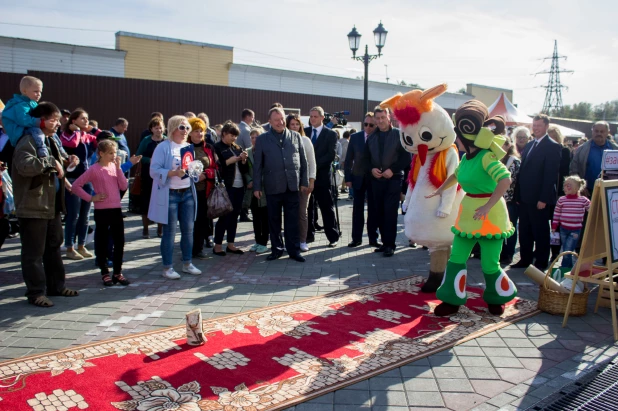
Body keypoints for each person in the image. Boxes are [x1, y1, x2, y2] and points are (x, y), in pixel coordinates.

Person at [428, 100, 516, 316]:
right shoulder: (467, 158)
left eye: (457, 136)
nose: (455, 140)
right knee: (457, 258)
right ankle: (451, 300)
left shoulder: (487, 157)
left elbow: (505, 180)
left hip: (491, 215)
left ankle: (498, 298)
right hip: (468, 213)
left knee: (489, 263)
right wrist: (440, 190)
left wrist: (487, 206)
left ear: (465, 136)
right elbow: (456, 175)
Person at [12, 102, 80, 307]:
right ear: (40, 120)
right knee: (33, 253)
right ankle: (35, 292)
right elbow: (24, 166)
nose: (58, 124)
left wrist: (69, 161)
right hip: (34, 206)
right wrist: (51, 162)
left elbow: (58, 165)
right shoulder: (28, 140)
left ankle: (56, 287)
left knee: (53, 248)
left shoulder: (51, 141)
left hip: (51, 207)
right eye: (54, 119)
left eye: (59, 120)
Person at [71, 140, 131, 286]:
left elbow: (124, 185)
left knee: (119, 241)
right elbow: (75, 186)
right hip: (102, 210)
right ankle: (104, 272)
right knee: (102, 241)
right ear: (101, 153)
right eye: (110, 153)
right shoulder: (94, 169)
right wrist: (91, 198)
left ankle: (117, 272)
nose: (113, 155)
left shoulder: (114, 167)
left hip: (116, 209)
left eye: (115, 152)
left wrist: (118, 169)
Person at [148, 115, 201, 279]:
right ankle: (167, 267)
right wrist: (173, 173)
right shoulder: (164, 147)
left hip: (187, 193)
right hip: (170, 194)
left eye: (187, 128)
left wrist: (195, 171)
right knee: (169, 232)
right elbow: (154, 171)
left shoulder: (188, 147)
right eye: (182, 127)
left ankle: (187, 263)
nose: (186, 131)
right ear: (173, 128)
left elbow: (190, 172)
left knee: (188, 230)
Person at [253, 107, 309, 262]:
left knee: (292, 220)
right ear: (269, 121)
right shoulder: (263, 139)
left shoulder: (296, 136)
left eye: (282, 119)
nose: (280, 122)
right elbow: (258, 165)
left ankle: (294, 250)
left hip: (292, 186)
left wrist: (304, 182)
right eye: (276, 120)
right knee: (274, 220)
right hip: (273, 186)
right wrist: (257, 187)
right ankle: (277, 249)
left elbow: (303, 161)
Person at [512, 114, 561, 270]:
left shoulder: (552, 146)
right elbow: (522, 172)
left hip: (539, 198)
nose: (536, 128)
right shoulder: (530, 144)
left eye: (539, 126)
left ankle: (541, 261)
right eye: (534, 125)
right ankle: (524, 259)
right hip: (525, 197)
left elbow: (551, 175)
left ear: (546, 126)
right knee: (524, 230)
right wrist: (518, 195)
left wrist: (543, 198)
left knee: (540, 231)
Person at [362, 107, 410, 256]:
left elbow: (406, 158)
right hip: (377, 181)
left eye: (383, 117)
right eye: (378, 118)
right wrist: (371, 169)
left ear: (389, 117)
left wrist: (393, 170)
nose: (380, 121)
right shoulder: (371, 137)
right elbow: (365, 159)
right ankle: (384, 243)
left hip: (393, 180)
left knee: (390, 213)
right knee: (379, 213)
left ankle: (390, 245)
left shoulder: (398, 134)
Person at [60, 109, 100, 260]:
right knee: (73, 215)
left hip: (86, 178)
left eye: (87, 118)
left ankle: (81, 245)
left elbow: (106, 137)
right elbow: (72, 143)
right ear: (73, 120)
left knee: (85, 215)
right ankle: (69, 247)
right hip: (72, 179)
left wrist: (93, 129)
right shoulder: (67, 135)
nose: (86, 121)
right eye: (82, 118)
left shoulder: (87, 136)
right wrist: (77, 131)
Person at [304, 106, 340, 247]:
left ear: (322, 117)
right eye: (311, 116)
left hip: (322, 177)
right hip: (306, 178)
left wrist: (313, 167)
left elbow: (330, 155)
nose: (312, 119)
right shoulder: (305, 132)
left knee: (326, 208)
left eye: (315, 116)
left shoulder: (330, 134)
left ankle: (333, 237)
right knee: (308, 208)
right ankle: (308, 235)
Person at [213, 122, 249, 256]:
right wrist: (229, 161)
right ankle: (217, 245)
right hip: (226, 187)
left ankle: (231, 244)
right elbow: (216, 166)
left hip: (239, 186)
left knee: (235, 216)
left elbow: (245, 170)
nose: (234, 138)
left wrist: (243, 160)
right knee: (224, 216)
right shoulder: (216, 147)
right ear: (223, 134)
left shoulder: (237, 147)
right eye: (231, 135)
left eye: (235, 136)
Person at [344, 112, 380, 248]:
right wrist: (348, 178)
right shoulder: (355, 137)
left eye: (371, 125)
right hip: (357, 177)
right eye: (365, 124)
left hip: (374, 179)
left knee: (373, 209)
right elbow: (348, 160)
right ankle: (356, 238)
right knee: (357, 210)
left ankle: (373, 238)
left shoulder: (378, 136)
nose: (368, 127)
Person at [187, 117, 217, 259]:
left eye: (201, 131)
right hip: (187, 190)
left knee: (201, 220)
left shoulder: (209, 148)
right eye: (196, 131)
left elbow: (216, 167)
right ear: (189, 133)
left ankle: (197, 249)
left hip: (205, 190)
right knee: (188, 221)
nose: (199, 134)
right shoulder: (184, 148)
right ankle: (187, 248)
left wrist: (206, 174)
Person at [287, 114, 316, 252]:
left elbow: (311, 162)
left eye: (297, 124)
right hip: (288, 184)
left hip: (304, 184)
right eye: (292, 124)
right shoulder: (284, 140)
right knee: (289, 214)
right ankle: (291, 241)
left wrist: (311, 180)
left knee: (302, 213)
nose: (294, 127)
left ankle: (303, 240)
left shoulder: (305, 140)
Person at [2, 76, 48, 158]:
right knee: (37, 130)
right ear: (24, 91)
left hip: (26, 129)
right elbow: (23, 120)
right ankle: (42, 150)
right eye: (36, 91)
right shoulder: (20, 105)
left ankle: (62, 152)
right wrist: (40, 122)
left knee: (52, 134)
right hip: (19, 132)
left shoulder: (32, 103)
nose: (39, 94)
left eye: (40, 92)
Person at [136, 117, 166, 238]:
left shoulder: (167, 141)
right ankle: (145, 229)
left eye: (160, 127)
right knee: (146, 201)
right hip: (148, 175)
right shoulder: (146, 140)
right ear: (151, 129)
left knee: (162, 201)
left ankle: (160, 230)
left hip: (163, 175)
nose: (158, 130)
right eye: (156, 128)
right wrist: (150, 160)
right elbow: (139, 156)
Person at [551, 175, 591, 268]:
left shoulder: (583, 200)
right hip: (563, 229)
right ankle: (570, 271)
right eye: (564, 185)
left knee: (567, 251)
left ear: (577, 187)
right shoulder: (561, 200)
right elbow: (556, 213)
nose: (565, 187)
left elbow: (592, 210)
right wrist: (554, 226)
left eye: (569, 185)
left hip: (575, 230)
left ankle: (563, 268)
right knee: (566, 250)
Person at [571, 121, 618, 196]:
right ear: (592, 131)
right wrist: (580, 186)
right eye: (596, 131)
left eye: (602, 131)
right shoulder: (581, 150)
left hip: (610, 192)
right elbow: (573, 170)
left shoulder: (615, 149)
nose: (599, 133)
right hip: (587, 192)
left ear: (608, 132)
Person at [547, 124, 573, 260]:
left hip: (559, 195)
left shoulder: (564, 151)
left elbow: (564, 171)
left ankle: (555, 251)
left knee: (556, 225)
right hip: (545, 194)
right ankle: (545, 249)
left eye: (553, 138)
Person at [244, 127, 269, 254]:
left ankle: (264, 242)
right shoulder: (247, 152)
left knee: (264, 216)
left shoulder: (266, 151)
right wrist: (249, 181)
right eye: (252, 137)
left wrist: (260, 182)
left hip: (264, 189)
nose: (254, 140)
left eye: (257, 137)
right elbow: (245, 171)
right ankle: (257, 240)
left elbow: (268, 170)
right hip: (252, 189)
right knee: (255, 216)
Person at [499, 134, 521, 265]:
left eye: (502, 144)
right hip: (499, 199)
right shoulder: (497, 159)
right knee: (499, 228)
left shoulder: (513, 160)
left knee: (510, 228)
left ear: (508, 145)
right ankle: (501, 253)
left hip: (510, 200)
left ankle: (509, 254)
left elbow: (512, 180)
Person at [237, 109, 255, 222]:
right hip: (246, 161)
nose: (253, 120)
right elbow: (250, 146)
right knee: (247, 189)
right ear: (248, 117)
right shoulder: (246, 130)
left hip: (239, 161)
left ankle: (243, 212)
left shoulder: (239, 127)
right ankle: (244, 213)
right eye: (252, 117)